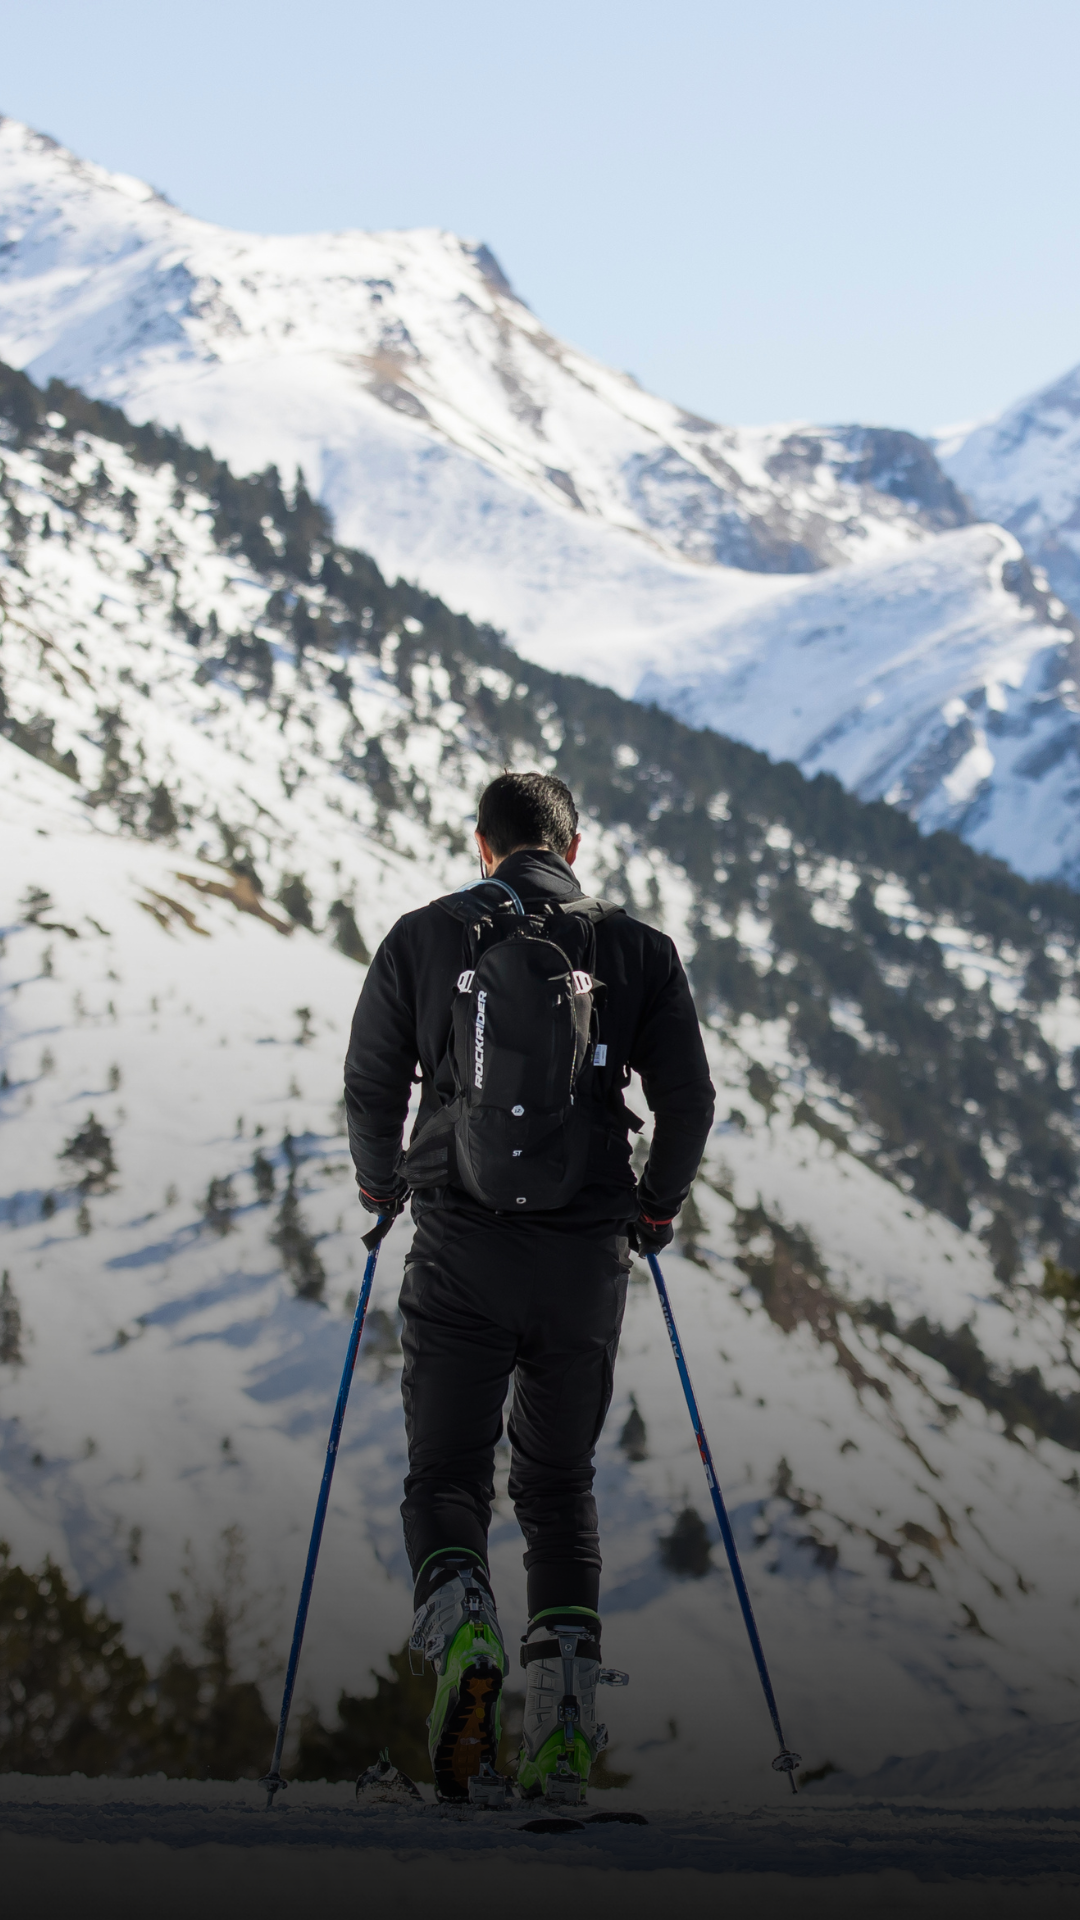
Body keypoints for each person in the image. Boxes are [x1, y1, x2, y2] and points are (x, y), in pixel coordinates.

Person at [344, 771, 714, 1803]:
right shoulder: (638, 951)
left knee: (446, 1477)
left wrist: (382, 1185)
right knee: (556, 1492)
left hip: (459, 1248)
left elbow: (372, 1079)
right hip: (581, 1259)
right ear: (575, 844)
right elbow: (690, 1098)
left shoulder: (424, 936)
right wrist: (654, 1205)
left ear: (482, 845)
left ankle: (464, 1630)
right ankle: (560, 1735)